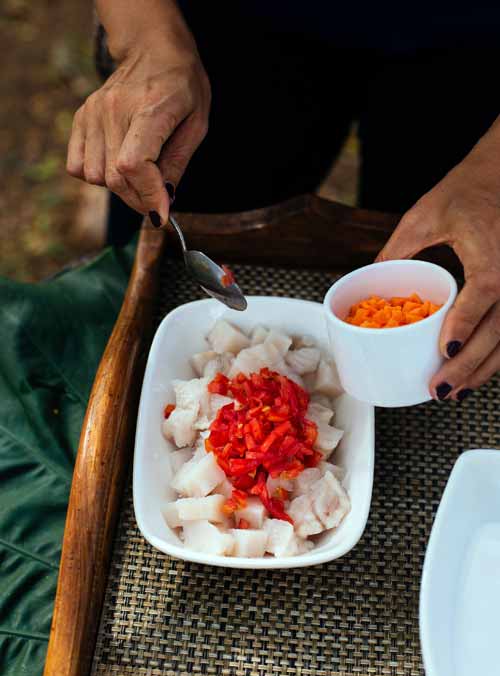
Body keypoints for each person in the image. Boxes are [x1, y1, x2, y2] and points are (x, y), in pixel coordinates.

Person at [67, 1, 500, 403]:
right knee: (153, 273)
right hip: (240, 20)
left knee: (449, 310)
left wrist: (490, 176)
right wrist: (144, 35)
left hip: (475, 39)